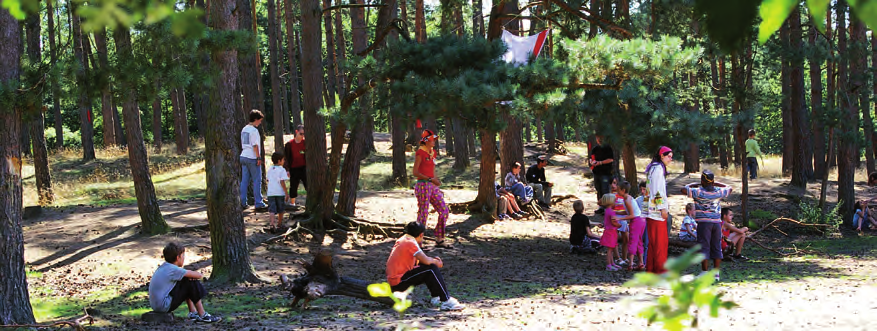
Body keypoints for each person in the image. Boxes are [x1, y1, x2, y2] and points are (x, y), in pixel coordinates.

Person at [386, 222, 466, 311]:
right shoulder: (410, 242)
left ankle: (436, 297)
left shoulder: (404, 239)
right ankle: (446, 300)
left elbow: (422, 261)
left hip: (397, 280)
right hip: (399, 282)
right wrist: (436, 262)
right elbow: (427, 260)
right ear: (421, 234)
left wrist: (433, 261)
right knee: (431, 269)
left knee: (427, 268)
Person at [148, 243, 221, 323]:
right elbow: (199, 276)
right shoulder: (173, 270)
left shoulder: (165, 266)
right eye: (183, 256)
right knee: (189, 281)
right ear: (178, 257)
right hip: (163, 306)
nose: (184, 258)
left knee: (185, 279)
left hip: (157, 305)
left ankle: (193, 312)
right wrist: (192, 275)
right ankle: (203, 315)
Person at [681, 170, 732, 281]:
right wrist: (716, 183)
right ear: (712, 181)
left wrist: (692, 184)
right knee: (716, 246)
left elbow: (683, 189)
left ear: (702, 181)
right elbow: (730, 188)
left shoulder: (698, 191)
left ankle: (704, 272)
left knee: (704, 247)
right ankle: (716, 273)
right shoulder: (718, 191)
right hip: (717, 223)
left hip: (704, 223)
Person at [412, 129, 451, 248]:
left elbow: (432, 169)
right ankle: (418, 241)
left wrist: (436, 181)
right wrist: (429, 179)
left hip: (432, 186)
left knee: (444, 210)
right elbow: (415, 172)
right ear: (426, 141)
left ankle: (440, 238)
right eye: (432, 139)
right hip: (423, 185)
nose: (434, 141)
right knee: (423, 213)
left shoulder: (433, 152)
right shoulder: (420, 153)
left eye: (434, 139)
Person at [644, 146, 673, 274]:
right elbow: (657, 190)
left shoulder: (653, 167)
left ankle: (651, 268)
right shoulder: (658, 169)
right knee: (660, 242)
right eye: (669, 156)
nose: (671, 159)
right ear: (662, 155)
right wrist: (662, 208)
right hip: (656, 211)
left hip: (650, 210)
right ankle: (660, 270)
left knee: (653, 242)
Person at [240, 110, 267, 210]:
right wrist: (258, 157)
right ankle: (258, 202)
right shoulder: (254, 131)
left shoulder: (244, 129)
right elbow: (255, 145)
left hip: (243, 156)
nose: (260, 122)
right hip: (252, 157)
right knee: (257, 180)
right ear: (255, 119)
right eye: (259, 120)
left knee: (244, 181)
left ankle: (243, 201)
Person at [615, 181, 645, 271]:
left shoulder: (627, 200)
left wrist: (619, 218)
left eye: (618, 190)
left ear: (623, 190)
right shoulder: (627, 198)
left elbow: (631, 215)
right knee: (639, 241)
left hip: (636, 221)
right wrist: (616, 213)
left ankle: (631, 263)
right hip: (641, 220)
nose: (617, 191)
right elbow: (628, 212)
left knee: (632, 240)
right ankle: (641, 263)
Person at [589, 135, 615, 214]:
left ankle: (607, 208)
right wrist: (591, 162)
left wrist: (600, 163)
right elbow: (591, 158)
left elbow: (611, 159)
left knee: (605, 190)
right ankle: (601, 207)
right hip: (596, 173)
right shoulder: (595, 148)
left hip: (605, 173)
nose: (599, 139)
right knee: (598, 189)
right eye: (597, 138)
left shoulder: (608, 148)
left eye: (601, 138)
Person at [283, 125, 307, 206]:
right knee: (293, 186)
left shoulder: (305, 143)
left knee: (308, 185)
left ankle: (310, 203)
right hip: (294, 168)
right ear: (296, 132)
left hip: (304, 168)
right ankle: (292, 203)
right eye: (301, 134)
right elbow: (286, 158)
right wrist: (287, 169)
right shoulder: (289, 144)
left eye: (304, 134)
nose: (302, 136)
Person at [266, 152, 290, 232]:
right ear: (279, 161)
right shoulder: (282, 170)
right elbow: (282, 182)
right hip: (279, 193)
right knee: (281, 209)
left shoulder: (270, 169)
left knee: (272, 209)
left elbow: (268, 179)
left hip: (271, 192)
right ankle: (279, 224)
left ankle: (272, 224)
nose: (284, 161)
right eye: (283, 160)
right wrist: (286, 193)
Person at [599, 194, 622, 271]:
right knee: (610, 250)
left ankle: (612, 263)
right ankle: (609, 265)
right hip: (611, 232)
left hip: (610, 231)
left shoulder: (607, 211)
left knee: (611, 249)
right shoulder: (611, 212)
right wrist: (619, 225)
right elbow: (613, 221)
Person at [610, 178, 630, 266]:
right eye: (612, 183)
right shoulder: (610, 196)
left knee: (626, 238)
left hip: (623, 218)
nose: (613, 185)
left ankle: (624, 257)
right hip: (614, 218)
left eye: (615, 183)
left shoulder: (623, 195)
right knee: (614, 237)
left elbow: (628, 208)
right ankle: (617, 258)